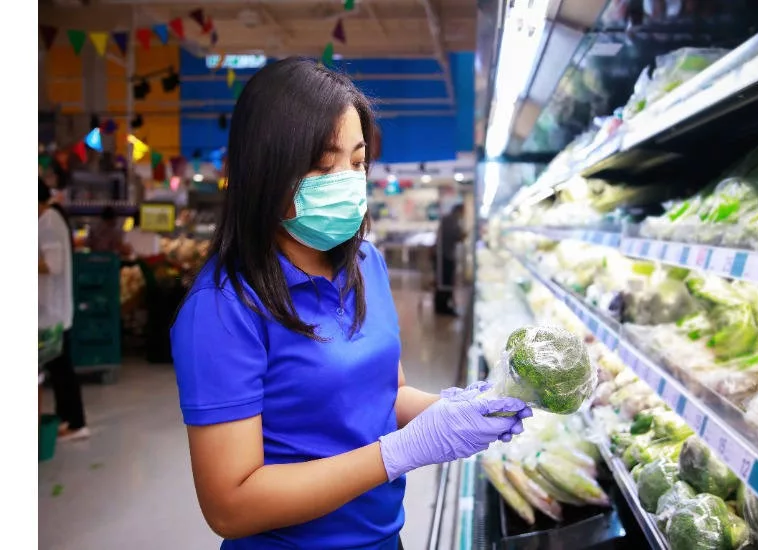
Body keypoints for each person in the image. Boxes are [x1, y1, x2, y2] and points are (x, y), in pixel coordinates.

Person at [170, 58, 531, 550]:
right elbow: (230, 505)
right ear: (266, 168)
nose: (346, 178)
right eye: (323, 164)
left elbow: (385, 392)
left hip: (386, 539)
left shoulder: (367, 265)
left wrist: (460, 411)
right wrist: (398, 453)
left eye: (357, 162)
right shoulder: (224, 307)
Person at [39, 178, 90, 441]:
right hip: (51, 309)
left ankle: (76, 422)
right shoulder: (51, 218)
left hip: (53, 312)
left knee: (61, 368)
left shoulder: (48, 220)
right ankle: (68, 418)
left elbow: (53, 265)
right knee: (59, 368)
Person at [434, 203, 465, 316]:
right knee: (445, 282)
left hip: (443, 255)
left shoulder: (447, 219)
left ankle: (441, 306)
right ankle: (443, 307)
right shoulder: (452, 221)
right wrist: (464, 234)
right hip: (445, 256)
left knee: (442, 282)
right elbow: (457, 236)